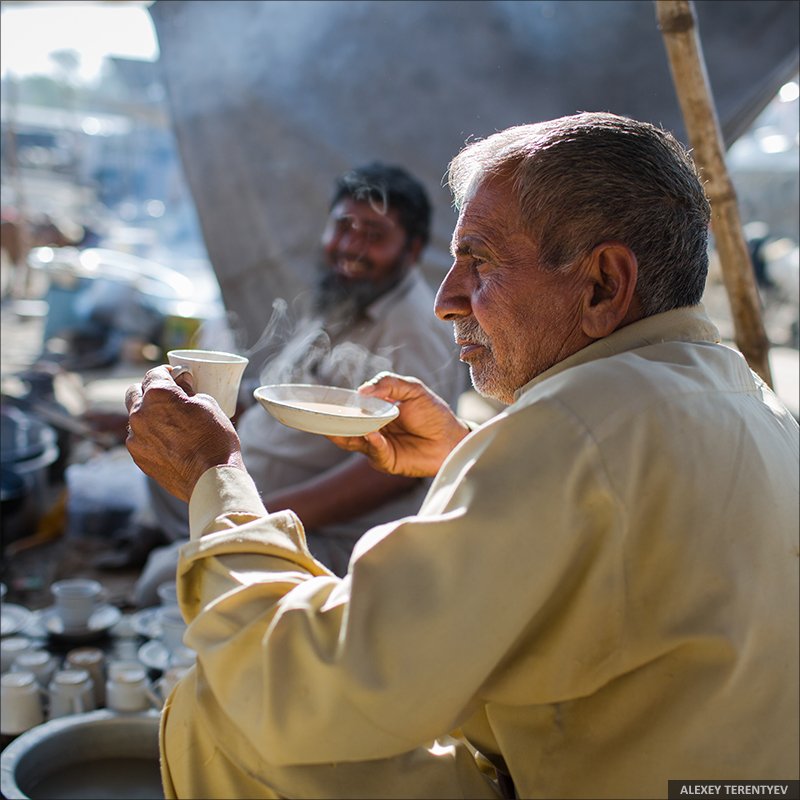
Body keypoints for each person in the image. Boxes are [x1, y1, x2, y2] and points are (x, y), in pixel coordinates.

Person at [124, 113, 799, 799]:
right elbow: (621, 523)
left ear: (602, 284)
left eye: (479, 260)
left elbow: (299, 690)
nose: (448, 300)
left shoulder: (573, 424)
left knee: (227, 712)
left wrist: (218, 481)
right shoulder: (751, 400)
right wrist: (468, 454)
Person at [123, 162, 467, 604]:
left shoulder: (414, 329)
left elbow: (392, 474)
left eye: (374, 235)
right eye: (343, 227)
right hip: (250, 480)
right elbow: (275, 392)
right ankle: (174, 538)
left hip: (311, 521)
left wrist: (263, 515)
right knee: (148, 454)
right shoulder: (339, 297)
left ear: (413, 249)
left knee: (162, 583)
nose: (351, 247)